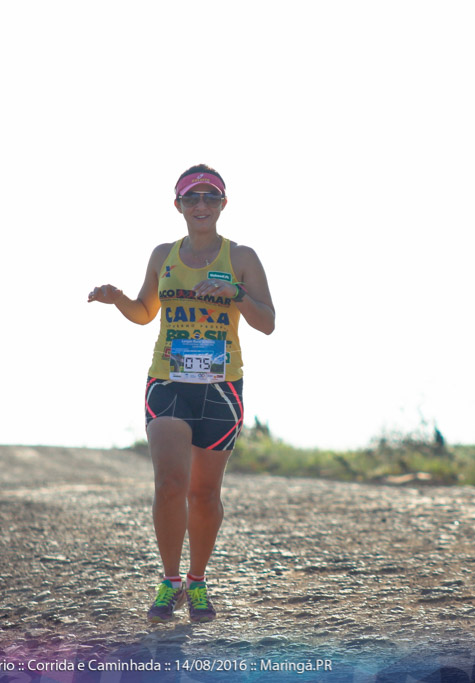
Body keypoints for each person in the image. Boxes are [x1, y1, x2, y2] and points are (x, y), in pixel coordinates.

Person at [88, 164, 275, 623]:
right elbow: (145, 311)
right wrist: (118, 300)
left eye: (211, 197)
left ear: (223, 205)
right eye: (192, 198)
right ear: (178, 205)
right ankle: (168, 582)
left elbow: (267, 322)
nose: (201, 205)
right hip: (168, 380)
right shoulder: (162, 255)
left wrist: (235, 293)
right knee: (170, 484)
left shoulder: (242, 257)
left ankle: (197, 582)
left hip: (221, 386)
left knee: (204, 494)